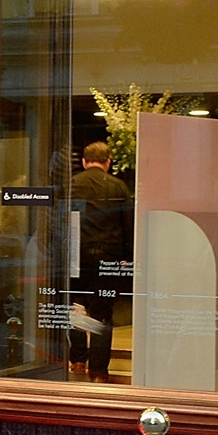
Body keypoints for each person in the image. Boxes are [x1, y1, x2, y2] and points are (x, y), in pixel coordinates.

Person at [67, 140, 132, 382]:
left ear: (84, 161)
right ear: (108, 162)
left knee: (76, 308)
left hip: (77, 258)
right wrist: (127, 257)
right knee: (103, 314)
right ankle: (98, 372)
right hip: (108, 258)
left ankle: (77, 360)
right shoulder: (118, 187)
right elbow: (127, 224)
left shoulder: (72, 185)